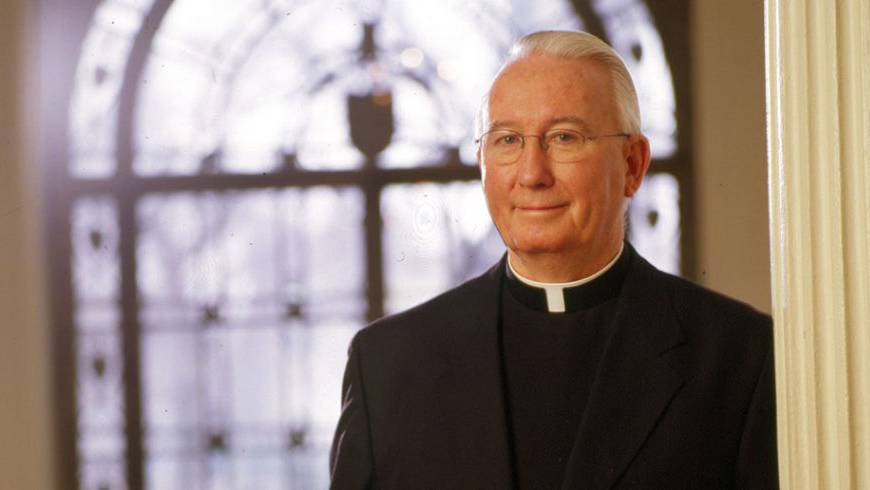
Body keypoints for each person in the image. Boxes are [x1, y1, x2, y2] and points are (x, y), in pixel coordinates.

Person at [329, 30, 777, 489]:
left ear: (632, 164)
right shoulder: (387, 365)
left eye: (564, 137)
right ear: (482, 162)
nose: (531, 174)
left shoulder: (740, 357)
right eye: (507, 141)